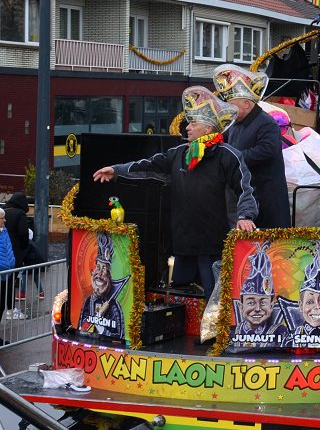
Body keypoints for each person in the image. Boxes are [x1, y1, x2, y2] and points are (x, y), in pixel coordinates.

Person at [93, 86, 257, 299]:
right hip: (183, 241)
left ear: (208, 128)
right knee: (181, 296)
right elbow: (147, 166)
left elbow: (245, 189)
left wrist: (245, 216)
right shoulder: (179, 153)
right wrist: (116, 170)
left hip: (215, 244)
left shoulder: (228, 155)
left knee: (215, 297)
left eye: (193, 123)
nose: (187, 127)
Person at [213, 64, 291, 229]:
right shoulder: (234, 123)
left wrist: (234, 159)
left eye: (231, 104)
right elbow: (222, 142)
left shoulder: (267, 123)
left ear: (247, 104)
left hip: (266, 197)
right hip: (245, 196)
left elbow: (266, 151)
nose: (228, 109)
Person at [77, 232, 129, 339]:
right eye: (98, 267)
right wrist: (94, 320)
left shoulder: (114, 307)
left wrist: (101, 328)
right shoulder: (89, 301)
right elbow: (82, 327)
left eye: (104, 268)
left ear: (110, 275)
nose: (100, 274)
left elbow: (118, 336)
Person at [231, 241, 282, 346]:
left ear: (272, 306)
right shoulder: (232, 332)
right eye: (251, 303)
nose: (258, 309)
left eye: (263, 303)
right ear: (241, 306)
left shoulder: (280, 333)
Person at [0, 208, 19, 326]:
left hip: (7, 272)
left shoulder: (4, 230)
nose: (5, 220)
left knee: (2, 304)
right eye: (3, 218)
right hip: (1, 272)